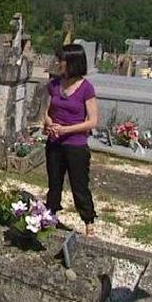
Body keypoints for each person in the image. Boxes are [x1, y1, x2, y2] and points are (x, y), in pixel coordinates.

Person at [44, 44, 99, 236]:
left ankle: (88, 220)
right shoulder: (54, 84)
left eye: (62, 60)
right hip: (54, 143)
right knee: (54, 183)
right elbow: (47, 111)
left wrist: (67, 129)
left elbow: (92, 121)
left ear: (72, 62)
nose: (58, 63)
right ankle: (51, 215)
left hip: (75, 145)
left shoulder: (86, 88)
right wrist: (49, 122)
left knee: (79, 185)